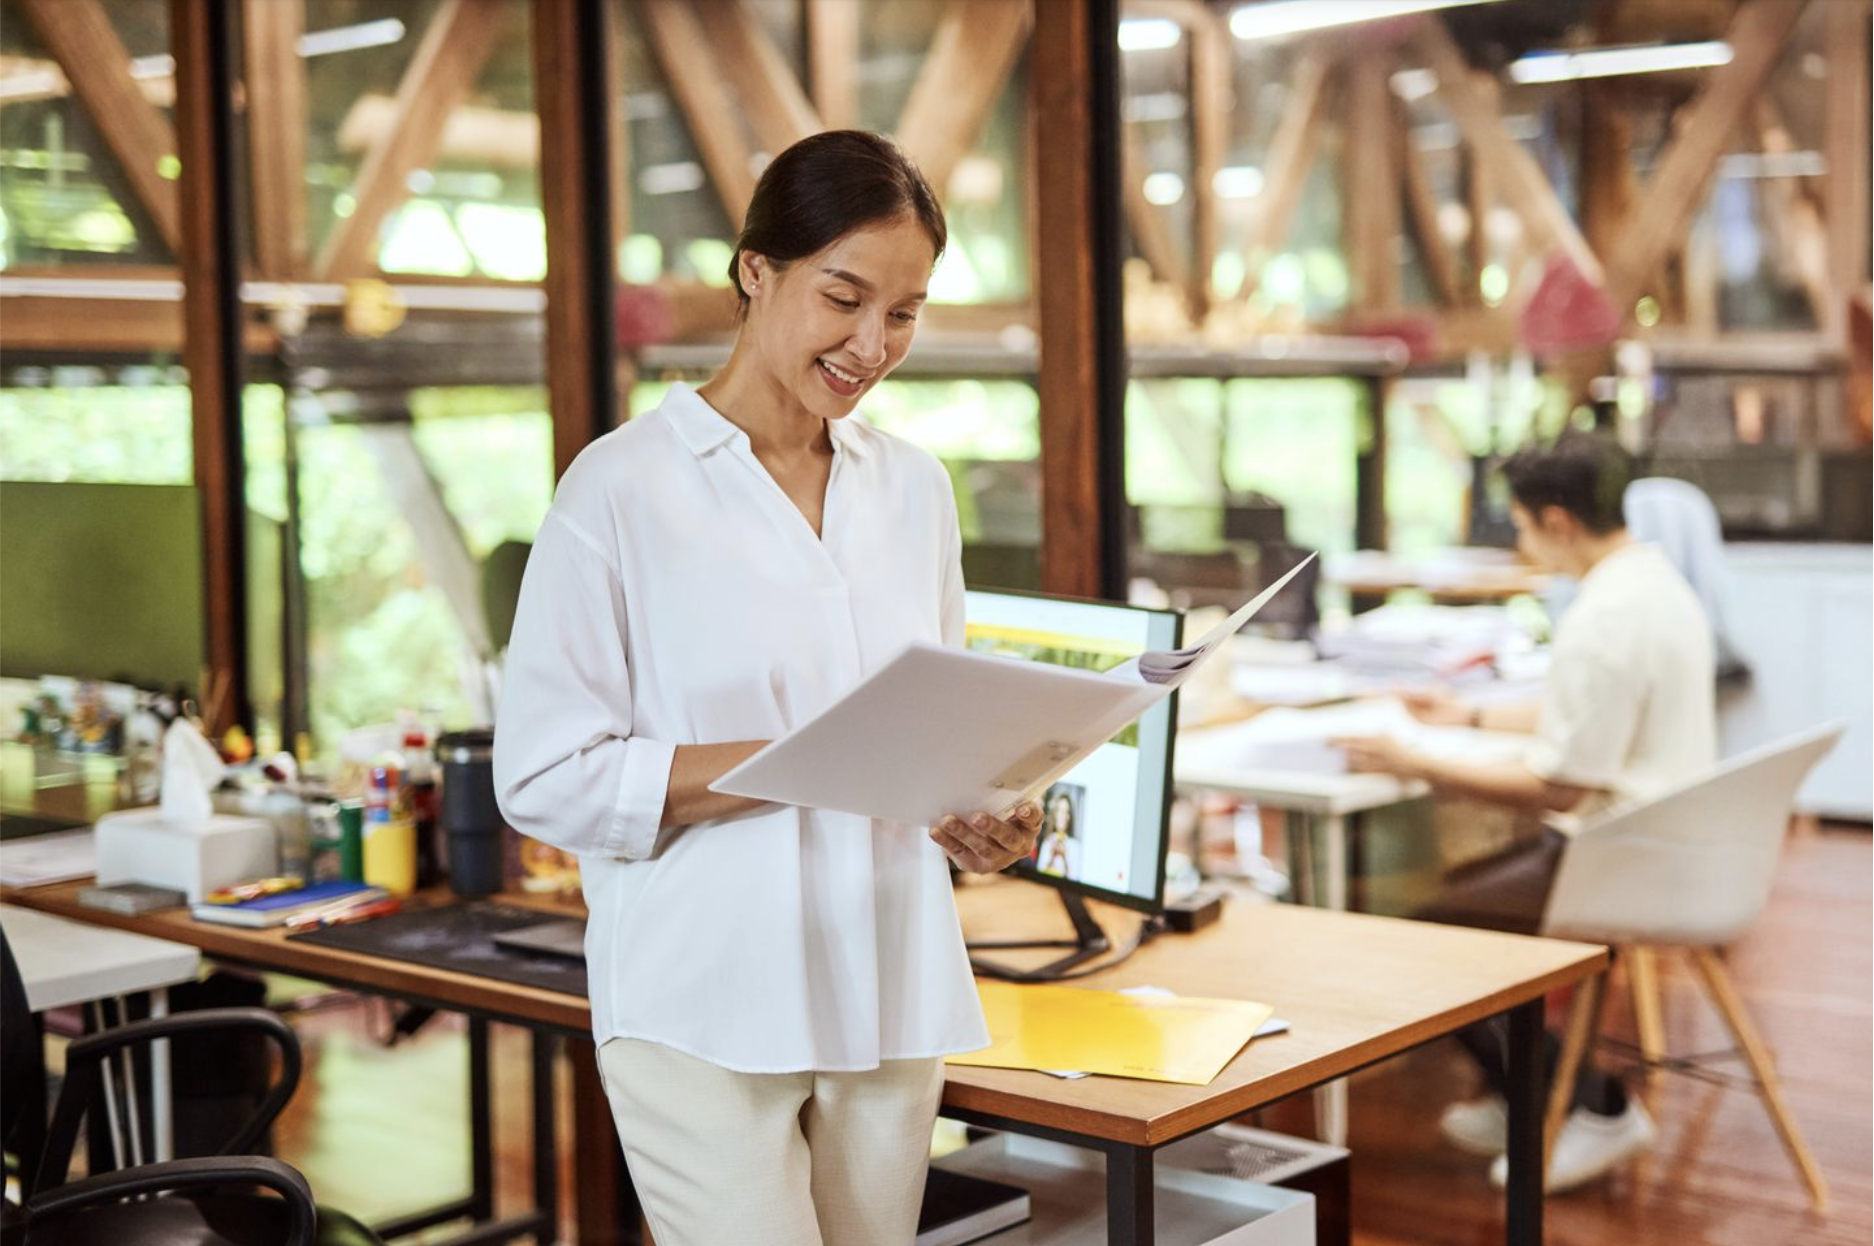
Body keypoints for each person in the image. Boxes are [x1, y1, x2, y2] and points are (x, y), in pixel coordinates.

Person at [493, 131, 1043, 1246]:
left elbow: (930, 739)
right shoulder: (619, 492)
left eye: (903, 313)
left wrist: (984, 814)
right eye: (842, 298)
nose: (870, 344)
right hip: (703, 1001)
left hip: (888, 981)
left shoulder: (914, 491)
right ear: (755, 269)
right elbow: (545, 777)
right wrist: (800, 757)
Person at [1335, 431, 1717, 1194]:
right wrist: (1465, 718)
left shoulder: (1603, 619)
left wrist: (1416, 761)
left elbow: (1559, 787)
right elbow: (1585, 713)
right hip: (1670, 839)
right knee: (1461, 898)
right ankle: (1525, 1094)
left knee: (1430, 932)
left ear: (1557, 521)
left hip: (1620, 853)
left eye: (1517, 522)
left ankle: (1592, 1105)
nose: (1516, 537)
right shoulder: (1649, 585)